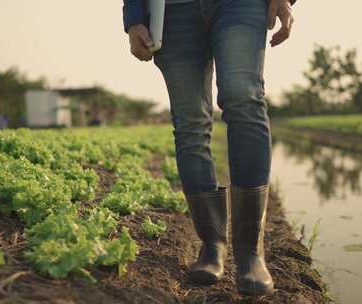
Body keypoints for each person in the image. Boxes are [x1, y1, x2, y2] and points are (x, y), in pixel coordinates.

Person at [122, 0, 296, 296]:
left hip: (240, 5)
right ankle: (212, 244)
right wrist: (134, 17)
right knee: (190, 124)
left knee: (244, 99)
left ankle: (250, 252)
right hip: (172, 11)